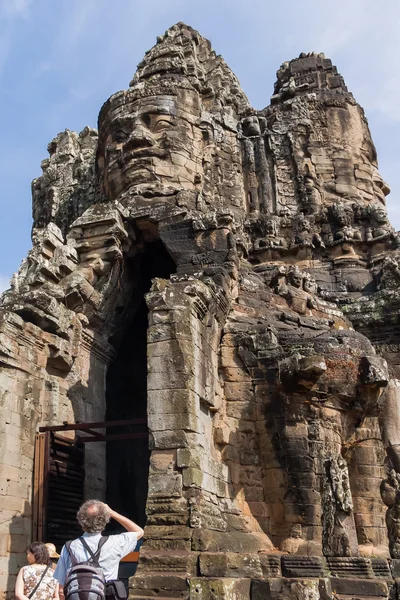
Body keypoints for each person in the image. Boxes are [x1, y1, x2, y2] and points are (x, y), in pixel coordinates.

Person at [53, 500, 144, 597]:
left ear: (80, 520)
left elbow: (61, 589)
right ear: (105, 520)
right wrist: (112, 513)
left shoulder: (69, 547)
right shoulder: (115, 543)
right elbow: (139, 531)